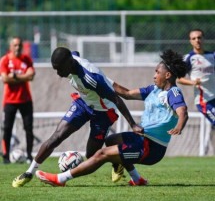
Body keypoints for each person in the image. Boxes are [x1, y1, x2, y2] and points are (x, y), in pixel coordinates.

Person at [34, 49, 189, 187]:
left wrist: (179, 126)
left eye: (157, 72)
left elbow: (183, 111)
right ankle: (136, 179)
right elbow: (126, 94)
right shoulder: (153, 90)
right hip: (142, 139)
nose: (154, 75)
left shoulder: (173, 93)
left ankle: (60, 179)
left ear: (167, 75)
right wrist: (102, 80)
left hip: (152, 149)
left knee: (103, 154)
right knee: (111, 140)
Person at [12, 47, 143, 187]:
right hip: (83, 103)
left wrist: (132, 124)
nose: (58, 73)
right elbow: (75, 53)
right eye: (55, 69)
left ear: (69, 63)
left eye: (59, 69)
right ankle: (29, 172)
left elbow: (116, 100)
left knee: (91, 155)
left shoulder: (91, 78)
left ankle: (117, 162)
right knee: (57, 136)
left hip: (103, 111)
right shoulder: (71, 60)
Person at [177, 29, 215, 153]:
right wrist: (192, 82)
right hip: (204, 100)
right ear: (190, 41)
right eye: (194, 38)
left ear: (203, 39)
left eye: (199, 37)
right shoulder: (189, 58)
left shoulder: (212, 56)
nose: (197, 40)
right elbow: (179, 78)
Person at [0, 36, 35, 164]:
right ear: (10, 47)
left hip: (25, 100)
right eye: (15, 45)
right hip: (10, 100)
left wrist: (14, 76)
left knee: (29, 129)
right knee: (7, 128)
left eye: (19, 45)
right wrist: (23, 77)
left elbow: (31, 76)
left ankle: (30, 156)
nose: (18, 47)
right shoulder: (5, 60)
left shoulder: (27, 59)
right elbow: (5, 79)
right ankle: (5, 156)